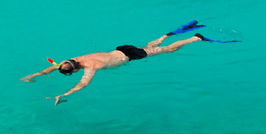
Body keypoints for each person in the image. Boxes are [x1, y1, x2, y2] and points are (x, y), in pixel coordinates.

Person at [21, 30, 208, 105]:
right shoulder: (74, 59)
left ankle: (195, 38)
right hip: (121, 49)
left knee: (168, 50)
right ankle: (163, 35)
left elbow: (83, 85)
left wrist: (64, 95)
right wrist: (36, 74)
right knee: (149, 47)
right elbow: (55, 67)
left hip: (130, 55)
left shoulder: (90, 67)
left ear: (75, 70)